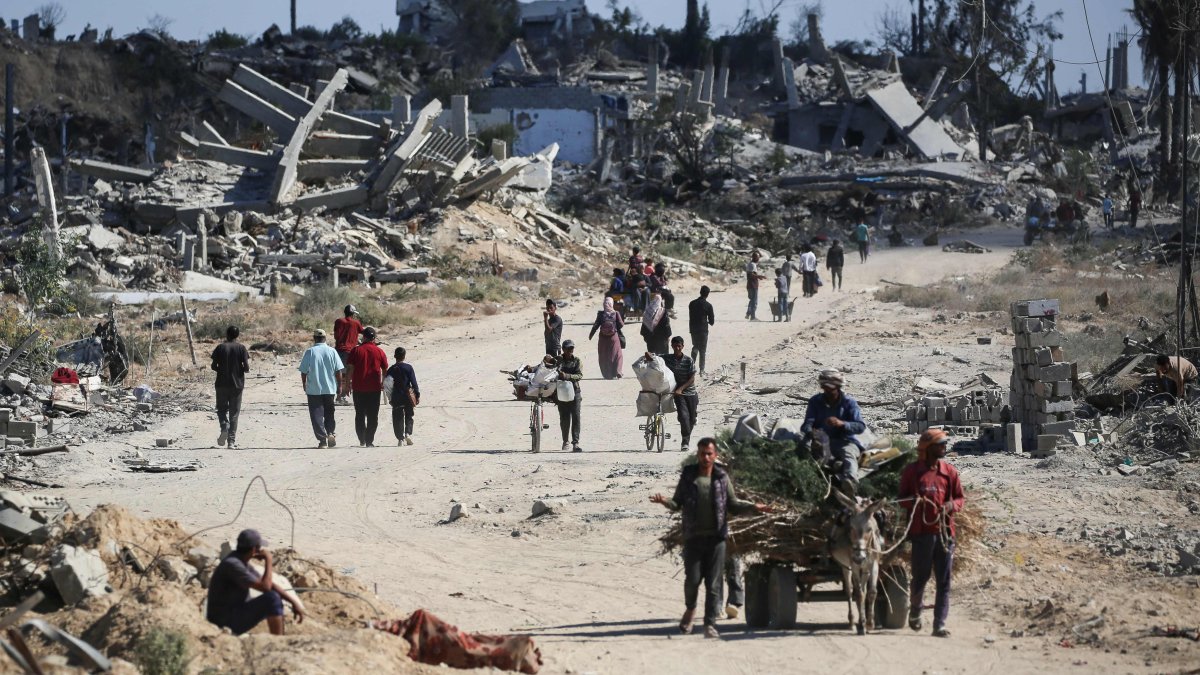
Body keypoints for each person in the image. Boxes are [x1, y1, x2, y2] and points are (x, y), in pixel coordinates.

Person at [649, 439, 771, 639]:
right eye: (702, 453)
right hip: (693, 537)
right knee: (692, 580)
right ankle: (690, 609)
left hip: (716, 539)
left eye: (709, 454)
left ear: (715, 455)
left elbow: (733, 503)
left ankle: (710, 624)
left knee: (713, 584)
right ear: (698, 454)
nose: (705, 457)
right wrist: (664, 501)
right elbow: (677, 503)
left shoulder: (722, 477)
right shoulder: (689, 475)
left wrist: (753, 506)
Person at [898, 429, 964, 638]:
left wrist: (950, 506)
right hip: (921, 534)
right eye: (940, 444)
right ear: (928, 449)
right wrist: (914, 501)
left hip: (945, 534)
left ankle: (939, 625)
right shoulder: (912, 472)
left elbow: (960, 499)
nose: (944, 447)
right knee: (921, 577)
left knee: (944, 581)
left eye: (945, 444)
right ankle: (916, 610)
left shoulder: (950, 472)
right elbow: (901, 499)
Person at [206, 529, 305, 636]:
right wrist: (269, 560)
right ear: (254, 550)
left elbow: (271, 585)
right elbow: (266, 587)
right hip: (222, 621)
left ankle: (279, 638)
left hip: (231, 614)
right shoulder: (233, 565)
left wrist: (293, 602)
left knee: (273, 596)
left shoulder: (239, 561)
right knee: (272, 599)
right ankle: (278, 641)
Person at [800, 369, 866, 495]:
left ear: (838, 387)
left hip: (844, 441)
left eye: (830, 388)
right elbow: (807, 424)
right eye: (824, 388)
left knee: (849, 454)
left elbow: (860, 426)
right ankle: (832, 466)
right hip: (821, 441)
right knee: (806, 450)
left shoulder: (849, 403)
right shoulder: (815, 401)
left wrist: (842, 424)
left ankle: (850, 482)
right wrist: (812, 433)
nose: (827, 391)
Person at [298, 329, 344, 448]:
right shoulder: (332, 351)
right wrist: (340, 385)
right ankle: (330, 432)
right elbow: (338, 371)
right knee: (329, 412)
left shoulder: (310, 352)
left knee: (316, 415)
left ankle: (322, 440)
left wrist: (304, 383)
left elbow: (303, 371)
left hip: (314, 389)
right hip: (329, 389)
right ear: (325, 338)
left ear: (314, 338)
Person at [343, 326, 388, 447]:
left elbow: (350, 369)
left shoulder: (356, 351)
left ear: (364, 337)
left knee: (360, 415)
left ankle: (362, 439)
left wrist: (347, 385)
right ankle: (369, 441)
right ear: (374, 338)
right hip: (374, 389)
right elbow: (385, 369)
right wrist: (383, 382)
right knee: (373, 416)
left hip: (358, 388)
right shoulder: (380, 351)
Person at [654, 336, 699, 451]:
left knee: (692, 419)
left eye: (679, 346)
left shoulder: (689, 360)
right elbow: (656, 358)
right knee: (684, 417)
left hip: (690, 392)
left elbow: (692, 379)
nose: (677, 348)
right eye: (675, 346)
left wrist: (681, 388)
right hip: (678, 394)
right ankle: (685, 441)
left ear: (683, 346)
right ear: (672, 346)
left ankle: (688, 431)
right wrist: (649, 356)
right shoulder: (667, 358)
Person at [211, 325, 249, 448]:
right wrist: (240, 370)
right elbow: (247, 368)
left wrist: (220, 370)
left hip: (221, 384)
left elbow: (213, 366)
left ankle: (224, 426)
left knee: (221, 409)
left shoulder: (220, 347)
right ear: (237, 335)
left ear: (226, 334)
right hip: (237, 385)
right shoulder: (241, 348)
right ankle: (231, 442)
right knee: (234, 413)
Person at [386, 347, 420, 445]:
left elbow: (388, 384)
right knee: (409, 415)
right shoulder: (409, 368)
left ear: (394, 356)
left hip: (396, 396)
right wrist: (417, 395)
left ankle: (400, 439)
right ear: (404, 356)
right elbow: (414, 382)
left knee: (397, 417)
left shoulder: (391, 369)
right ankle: (408, 434)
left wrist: (390, 398)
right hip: (407, 396)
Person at [556, 340, 583, 452]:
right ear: (563, 349)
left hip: (575, 392)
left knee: (576, 417)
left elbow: (579, 375)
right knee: (564, 418)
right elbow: (546, 367)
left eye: (572, 348)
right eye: (568, 348)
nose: (570, 351)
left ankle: (575, 443)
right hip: (561, 392)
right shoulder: (558, 360)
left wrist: (567, 376)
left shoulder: (577, 361)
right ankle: (565, 441)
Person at [589, 297, 625, 380]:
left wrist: (591, 334)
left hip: (603, 338)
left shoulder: (601, 314)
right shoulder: (616, 313)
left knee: (604, 356)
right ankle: (618, 371)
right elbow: (621, 325)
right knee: (617, 355)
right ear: (612, 304)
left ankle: (607, 375)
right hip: (614, 337)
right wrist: (615, 327)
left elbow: (596, 325)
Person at [333, 305, 363, 404]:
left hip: (338, 351)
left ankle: (338, 395)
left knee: (339, 374)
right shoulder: (356, 323)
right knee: (347, 375)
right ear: (353, 313)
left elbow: (336, 336)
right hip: (350, 352)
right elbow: (363, 332)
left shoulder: (338, 321)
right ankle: (341, 397)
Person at [688, 287, 715, 376]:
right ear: (707, 294)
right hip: (703, 330)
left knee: (695, 346)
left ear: (700, 292)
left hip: (693, 329)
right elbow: (712, 322)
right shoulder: (708, 305)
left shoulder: (692, 303)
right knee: (702, 350)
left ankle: (690, 367)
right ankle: (702, 370)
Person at [745, 252, 766, 320]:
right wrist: (759, 276)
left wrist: (758, 277)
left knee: (752, 300)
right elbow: (750, 275)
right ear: (754, 257)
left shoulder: (751, 264)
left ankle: (748, 313)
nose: (759, 258)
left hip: (751, 284)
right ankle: (753, 317)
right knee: (754, 301)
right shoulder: (752, 265)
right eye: (758, 257)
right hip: (753, 285)